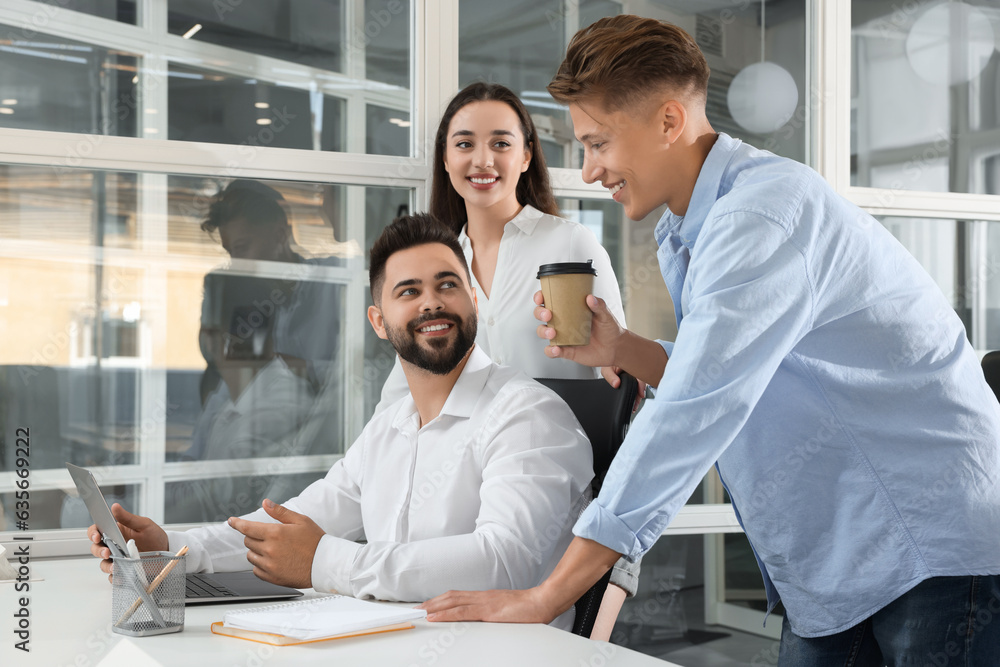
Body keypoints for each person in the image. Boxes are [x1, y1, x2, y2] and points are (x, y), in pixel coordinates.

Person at [419, 15, 1000, 665]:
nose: (589, 169)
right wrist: (624, 350)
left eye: (599, 142)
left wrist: (549, 592)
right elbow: (736, 366)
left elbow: (695, 409)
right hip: (840, 553)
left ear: (669, 122)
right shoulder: (690, 226)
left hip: (927, 541)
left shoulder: (760, 215)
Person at [88, 214, 594, 631]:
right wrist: (174, 549)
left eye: (447, 285)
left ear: (474, 301)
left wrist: (326, 562)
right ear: (379, 321)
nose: (432, 302)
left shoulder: (527, 414)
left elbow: (504, 562)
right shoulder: (391, 427)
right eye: (409, 291)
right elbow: (293, 523)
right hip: (394, 642)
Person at [375, 83, 639, 632]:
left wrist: (619, 557)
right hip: (461, 508)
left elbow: (621, 379)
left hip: (566, 504)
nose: (482, 159)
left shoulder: (571, 245)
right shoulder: (441, 264)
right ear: (445, 160)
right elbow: (407, 391)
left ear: (525, 156)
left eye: (500, 143)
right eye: (465, 143)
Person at [173, 179, 345, 522]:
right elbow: (227, 393)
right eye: (229, 253)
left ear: (280, 232)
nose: (236, 262)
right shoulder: (248, 299)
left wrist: (304, 369)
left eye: (243, 247)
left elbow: (365, 371)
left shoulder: (337, 283)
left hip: (318, 467)